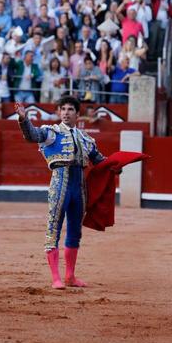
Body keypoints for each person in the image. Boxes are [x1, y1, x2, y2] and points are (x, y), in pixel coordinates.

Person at [15, 96, 105, 289]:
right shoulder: (51, 133)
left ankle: (70, 276)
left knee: (74, 231)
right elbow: (32, 135)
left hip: (79, 187)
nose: (65, 112)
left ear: (77, 114)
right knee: (53, 227)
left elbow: (101, 162)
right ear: (58, 112)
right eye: (62, 109)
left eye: (70, 109)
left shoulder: (86, 138)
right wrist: (24, 119)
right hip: (60, 182)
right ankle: (56, 278)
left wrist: (120, 163)